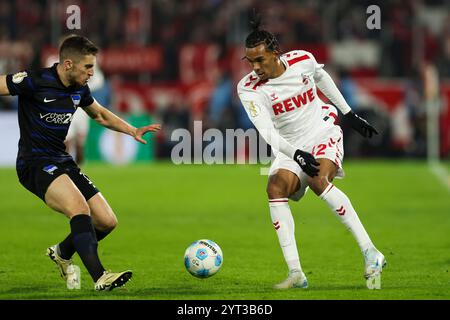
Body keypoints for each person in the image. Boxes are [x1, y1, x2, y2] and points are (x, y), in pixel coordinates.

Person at [0, 35, 161, 291]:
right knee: (79, 208)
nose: (91, 73)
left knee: (106, 221)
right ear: (67, 65)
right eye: (87, 67)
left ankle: (62, 252)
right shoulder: (35, 81)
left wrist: (132, 130)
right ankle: (100, 276)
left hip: (62, 160)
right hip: (34, 163)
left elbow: (99, 114)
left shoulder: (79, 88)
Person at [237, 16, 386, 290]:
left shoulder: (301, 60)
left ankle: (371, 252)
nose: (255, 67)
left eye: (260, 60)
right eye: (250, 61)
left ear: (275, 53)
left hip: (322, 131)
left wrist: (349, 114)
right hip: (289, 145)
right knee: (274, 188)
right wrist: (296, 155)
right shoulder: (248, 89)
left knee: (319, 181)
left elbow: (321, 76)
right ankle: (296, 272)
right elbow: (268, 134)